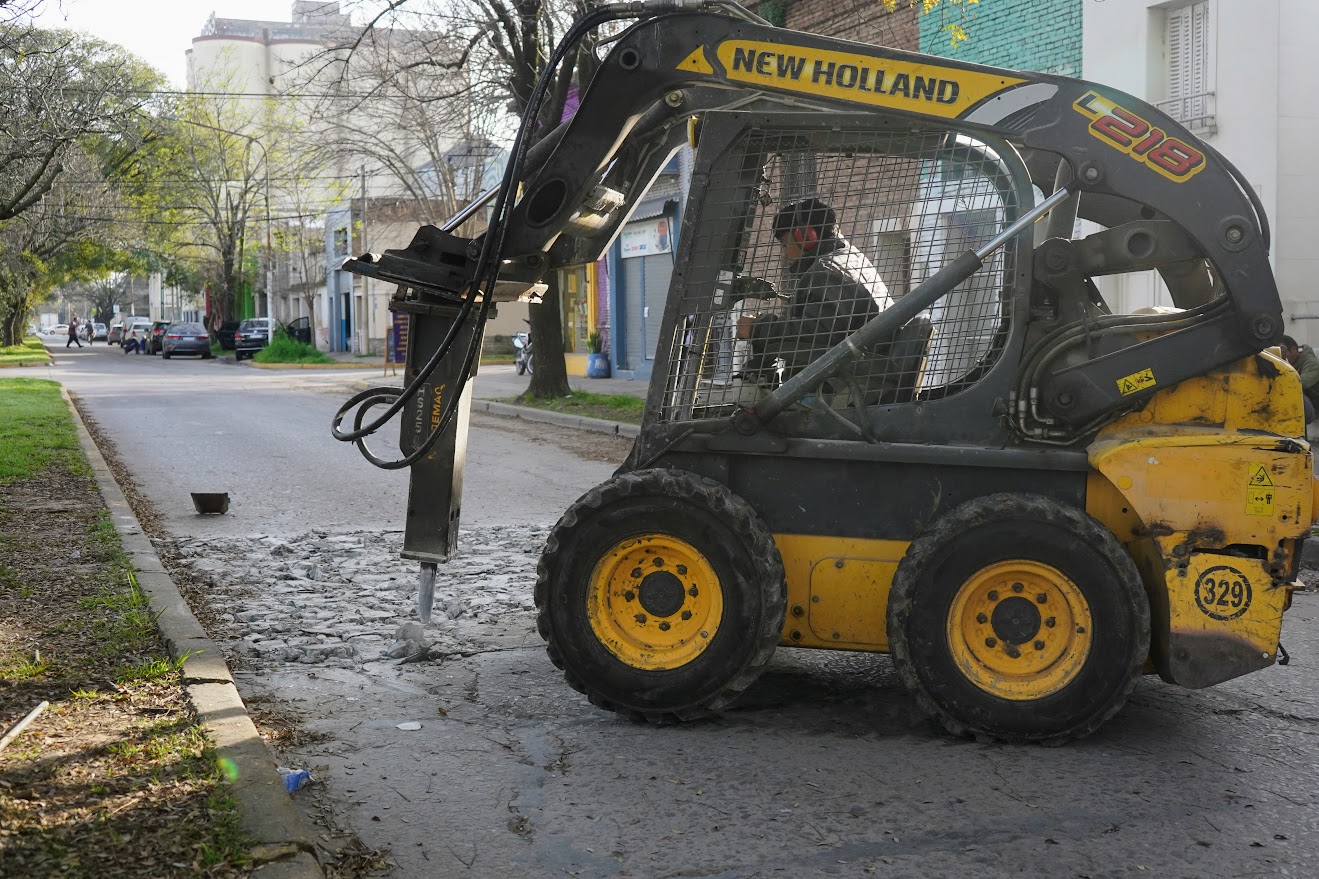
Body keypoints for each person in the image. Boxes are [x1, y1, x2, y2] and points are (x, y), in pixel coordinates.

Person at [734, 197, 893, 403]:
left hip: (843, 388)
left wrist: (757, 327)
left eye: (784, 244)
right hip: (864, 376)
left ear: (804, 235)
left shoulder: (825, 272)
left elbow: (815, 335)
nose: (785, 254)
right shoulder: (852, 259)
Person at [1281, 335, 1319, 423]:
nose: (1280, 357)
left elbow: (1302, 383)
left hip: (1314, 405)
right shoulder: (1288, 362)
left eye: (1283, 353)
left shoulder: (1311, 363)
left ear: (1293, 349)